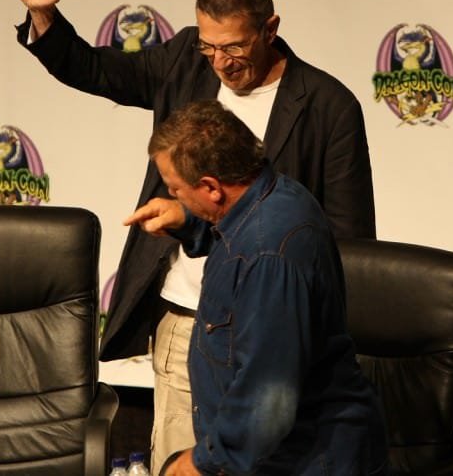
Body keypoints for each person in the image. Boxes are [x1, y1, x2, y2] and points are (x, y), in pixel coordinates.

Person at [2, 0, 376, 469]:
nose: (220, 63)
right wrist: (42, 15)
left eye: (234, 46)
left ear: (270, 28)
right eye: (209, 46)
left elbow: (348, 242)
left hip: (271, 332)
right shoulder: (185, 61)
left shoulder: (328, 106)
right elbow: (94, 69)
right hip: (188, 325)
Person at [126, 100, 387, 476]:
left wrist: (203, 462)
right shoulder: (270, 198)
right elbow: (237, 242)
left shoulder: (269, 258)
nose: (174, 196)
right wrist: (189, 219)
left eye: (177, 189)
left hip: (307, 462)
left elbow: (271, 397)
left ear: (212, 187)